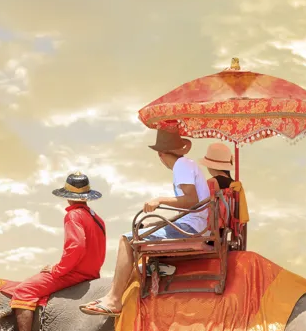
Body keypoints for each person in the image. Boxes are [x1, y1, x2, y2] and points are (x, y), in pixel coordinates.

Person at [79, 130, 209, 317]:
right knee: (146, 229)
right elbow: (191, 204)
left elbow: (191, 200)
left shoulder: (181, 166)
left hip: (190, 228)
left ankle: (114, 299)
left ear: (160, 155)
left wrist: (159, 200)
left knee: (127, 239)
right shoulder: (188, 164)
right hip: (193, 224)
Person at [2, 172, 106, 331]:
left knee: (25, 290)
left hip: (75, 273)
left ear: (67, 196)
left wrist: (57, 269)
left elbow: (76, 246)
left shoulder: (73, 215)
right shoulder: (98, 219)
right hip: (92, 273)